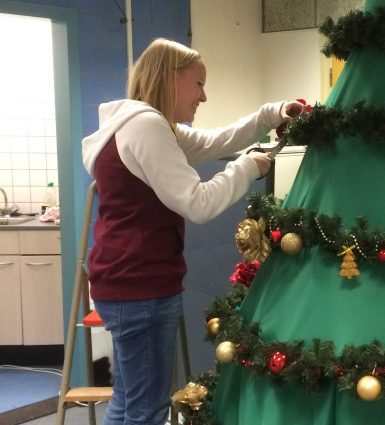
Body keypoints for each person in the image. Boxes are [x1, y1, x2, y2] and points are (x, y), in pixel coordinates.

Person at [81, 38, 305, 425]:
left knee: (129, 403)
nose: (203, 96)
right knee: (145, 410)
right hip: (141, 286)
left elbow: (216, 140)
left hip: (123, 282)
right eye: (198, 83)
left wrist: (271, 114)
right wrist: (246, 169)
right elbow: (198, 203)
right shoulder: (147, 126)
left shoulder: (137, 124)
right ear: (170, 79)